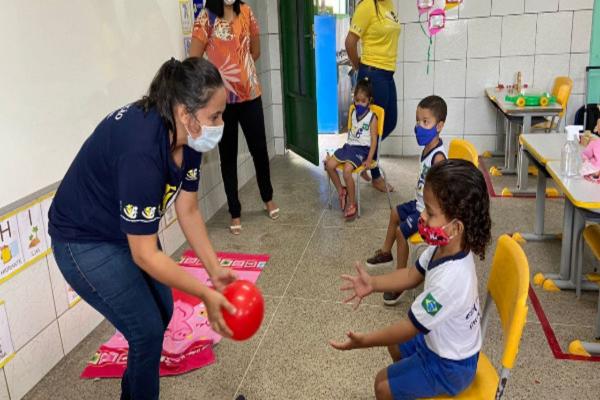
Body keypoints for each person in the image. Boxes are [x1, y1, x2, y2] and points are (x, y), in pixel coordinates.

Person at [49, 57, 238, 400]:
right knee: (146, 331)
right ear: (186, 113)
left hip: (121, 231)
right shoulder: (142, 150)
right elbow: (145, 254)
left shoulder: (191, 137)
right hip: (82, 240)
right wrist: (204, 294)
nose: (220, 124)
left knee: (162, 310)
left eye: (221, 114)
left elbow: (189, 208)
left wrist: (214, 270)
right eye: (215, 116)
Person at [330, 159, 492, 400]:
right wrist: (373, 284)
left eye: (430, 212)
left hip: (452, 366)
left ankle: (412, 384)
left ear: (456, 227)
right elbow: (411, 275)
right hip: (440, 342)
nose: (422, 217)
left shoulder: (450, 282)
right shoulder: (443, 247)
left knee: (382, 385)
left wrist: (364, 341)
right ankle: (412, 387)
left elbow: (409, 328)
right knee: (394, 346)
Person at [190, 0, 278, 235]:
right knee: (227, 156)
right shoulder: (206, 18)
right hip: (221, 103)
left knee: (259, 150)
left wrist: (241, 71)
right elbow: (194, 61)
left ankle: (267, 198)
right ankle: (235, 212)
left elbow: (255, 51)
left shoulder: (247, 12)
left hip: (251, 95)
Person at [365, 95, 448, 306]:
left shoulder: (438, 157)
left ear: (439, 126)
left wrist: (429, 215)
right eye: (418, 120)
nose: (419, 126)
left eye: (425, 122)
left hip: (427, 211)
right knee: (394, 213)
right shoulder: (427, 149)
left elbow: (442, 195)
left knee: (402, 232)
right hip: (418, 203)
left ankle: (400, 282)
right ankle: (386, 253)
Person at [345, 0, 400, 192]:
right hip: (373, 74)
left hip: (387, 74)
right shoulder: (368, 5)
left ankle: (361, 153)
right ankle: (376, 176)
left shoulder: (389, 6)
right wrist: (358, 66)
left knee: (390, 122)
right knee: (375, 128)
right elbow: (350, 42)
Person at [325, 78, 378, 220]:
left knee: (347, 171)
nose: (359, 104)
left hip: (362, 150)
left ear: (369, 101)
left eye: (363, 101)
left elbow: (374, 141)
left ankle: (352, 203)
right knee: (329, 165)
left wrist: (368, 159)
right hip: (349, 146)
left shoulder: (372, 118)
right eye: (357, 100)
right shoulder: (353, 112)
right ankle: (341, 190)